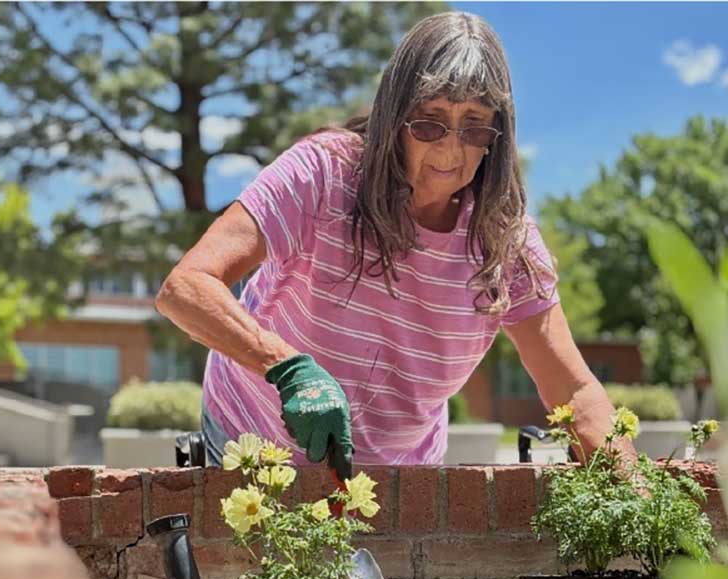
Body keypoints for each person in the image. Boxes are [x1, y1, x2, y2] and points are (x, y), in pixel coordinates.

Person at [156, 11, 635, 479]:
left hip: (398, 472)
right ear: (394, 117)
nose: (450, 150)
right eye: (430, 123)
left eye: (473, 127)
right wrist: (287, 369)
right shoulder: (323, 174)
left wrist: (644, 501)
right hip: (254, 438)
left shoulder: (504, 240)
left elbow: (572, 388)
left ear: (497, 136)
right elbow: (186, 287)